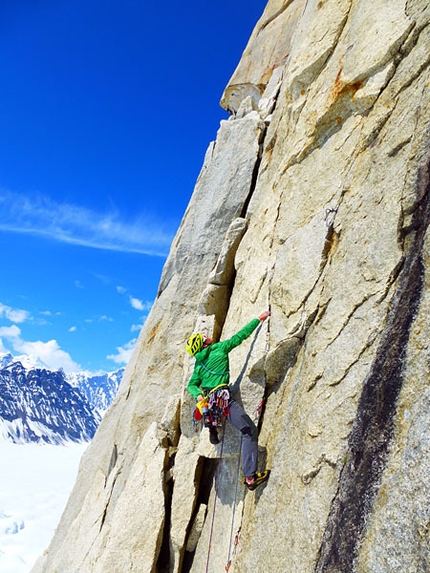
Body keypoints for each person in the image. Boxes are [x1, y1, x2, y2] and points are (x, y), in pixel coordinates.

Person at [186, 312, 271, 491]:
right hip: (224, 400)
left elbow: (191, 385)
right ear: (204, 343)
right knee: (249, 431)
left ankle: (212, 425)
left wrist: (198, 395)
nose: (208, 336)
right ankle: (250, 478)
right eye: (204, 337)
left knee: (211, 409)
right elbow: (240, 336)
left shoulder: (198, 366)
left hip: (210, 400)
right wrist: (259, 318)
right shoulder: (220, 348)